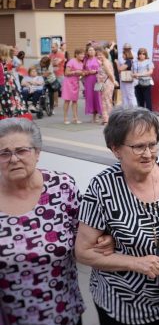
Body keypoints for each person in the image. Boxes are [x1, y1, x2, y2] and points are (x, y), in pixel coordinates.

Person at [76, 107, 159, 324]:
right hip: (127, 308)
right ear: (116, 149)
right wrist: (134, 263)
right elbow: (83, 252)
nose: (148, 154)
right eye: (138, 147)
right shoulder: (103, 187)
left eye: (152, 144)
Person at [0, 118, 105, 324]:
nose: (13, 159)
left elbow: (84, 236)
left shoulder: (62, 187)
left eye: (22, 151)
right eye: (4, 153)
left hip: (64, 311)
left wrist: (103, 241)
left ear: (38, 153)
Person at [0, 44, 30, 120]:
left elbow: (6, 70)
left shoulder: (3, 62)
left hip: (9, 85)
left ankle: (12, 115)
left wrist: (9, 73)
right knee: (8, 101)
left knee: (12, 100)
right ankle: (9, 115)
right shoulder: (2, 62)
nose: (9, 58)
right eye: (7, 55)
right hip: (5, 85)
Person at [62, 49, 85, 124]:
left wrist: (82, 74)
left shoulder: (82, 63)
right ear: (76, 54)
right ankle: (65, 118)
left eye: (83, 54)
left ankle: (75, 118)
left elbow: (81, 73)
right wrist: (75, 72)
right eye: (81, 54)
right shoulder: (71, 61)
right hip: (68, 82)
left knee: (75, 101)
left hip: (76, 82)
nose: (82, 56)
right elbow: (66, 73)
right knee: (67, 100)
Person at [97, 48, 118, 125]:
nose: (99, 56)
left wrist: (114, 81)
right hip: (105, 83)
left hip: (107, 84)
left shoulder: (105, 63)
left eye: (101, 55)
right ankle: (106, 119)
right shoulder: (105, 62)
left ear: (105, 55)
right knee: (105, 101)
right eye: (98, 55)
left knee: (106, 101)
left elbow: (110, 73)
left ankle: (109, 119)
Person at [83, 46, 103, 123]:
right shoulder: (86, 60)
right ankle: (93, 116)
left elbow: (102, 69)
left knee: (97, 96)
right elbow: (83, 69)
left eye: (92, 50)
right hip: (88, 80)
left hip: (96, 79)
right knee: (90, 97)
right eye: (89, 50)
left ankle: (98, 115)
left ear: (95, 51)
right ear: (87, 52)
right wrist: (86, 72)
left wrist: (95, 71)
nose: (90, 51)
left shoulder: (98, 59)